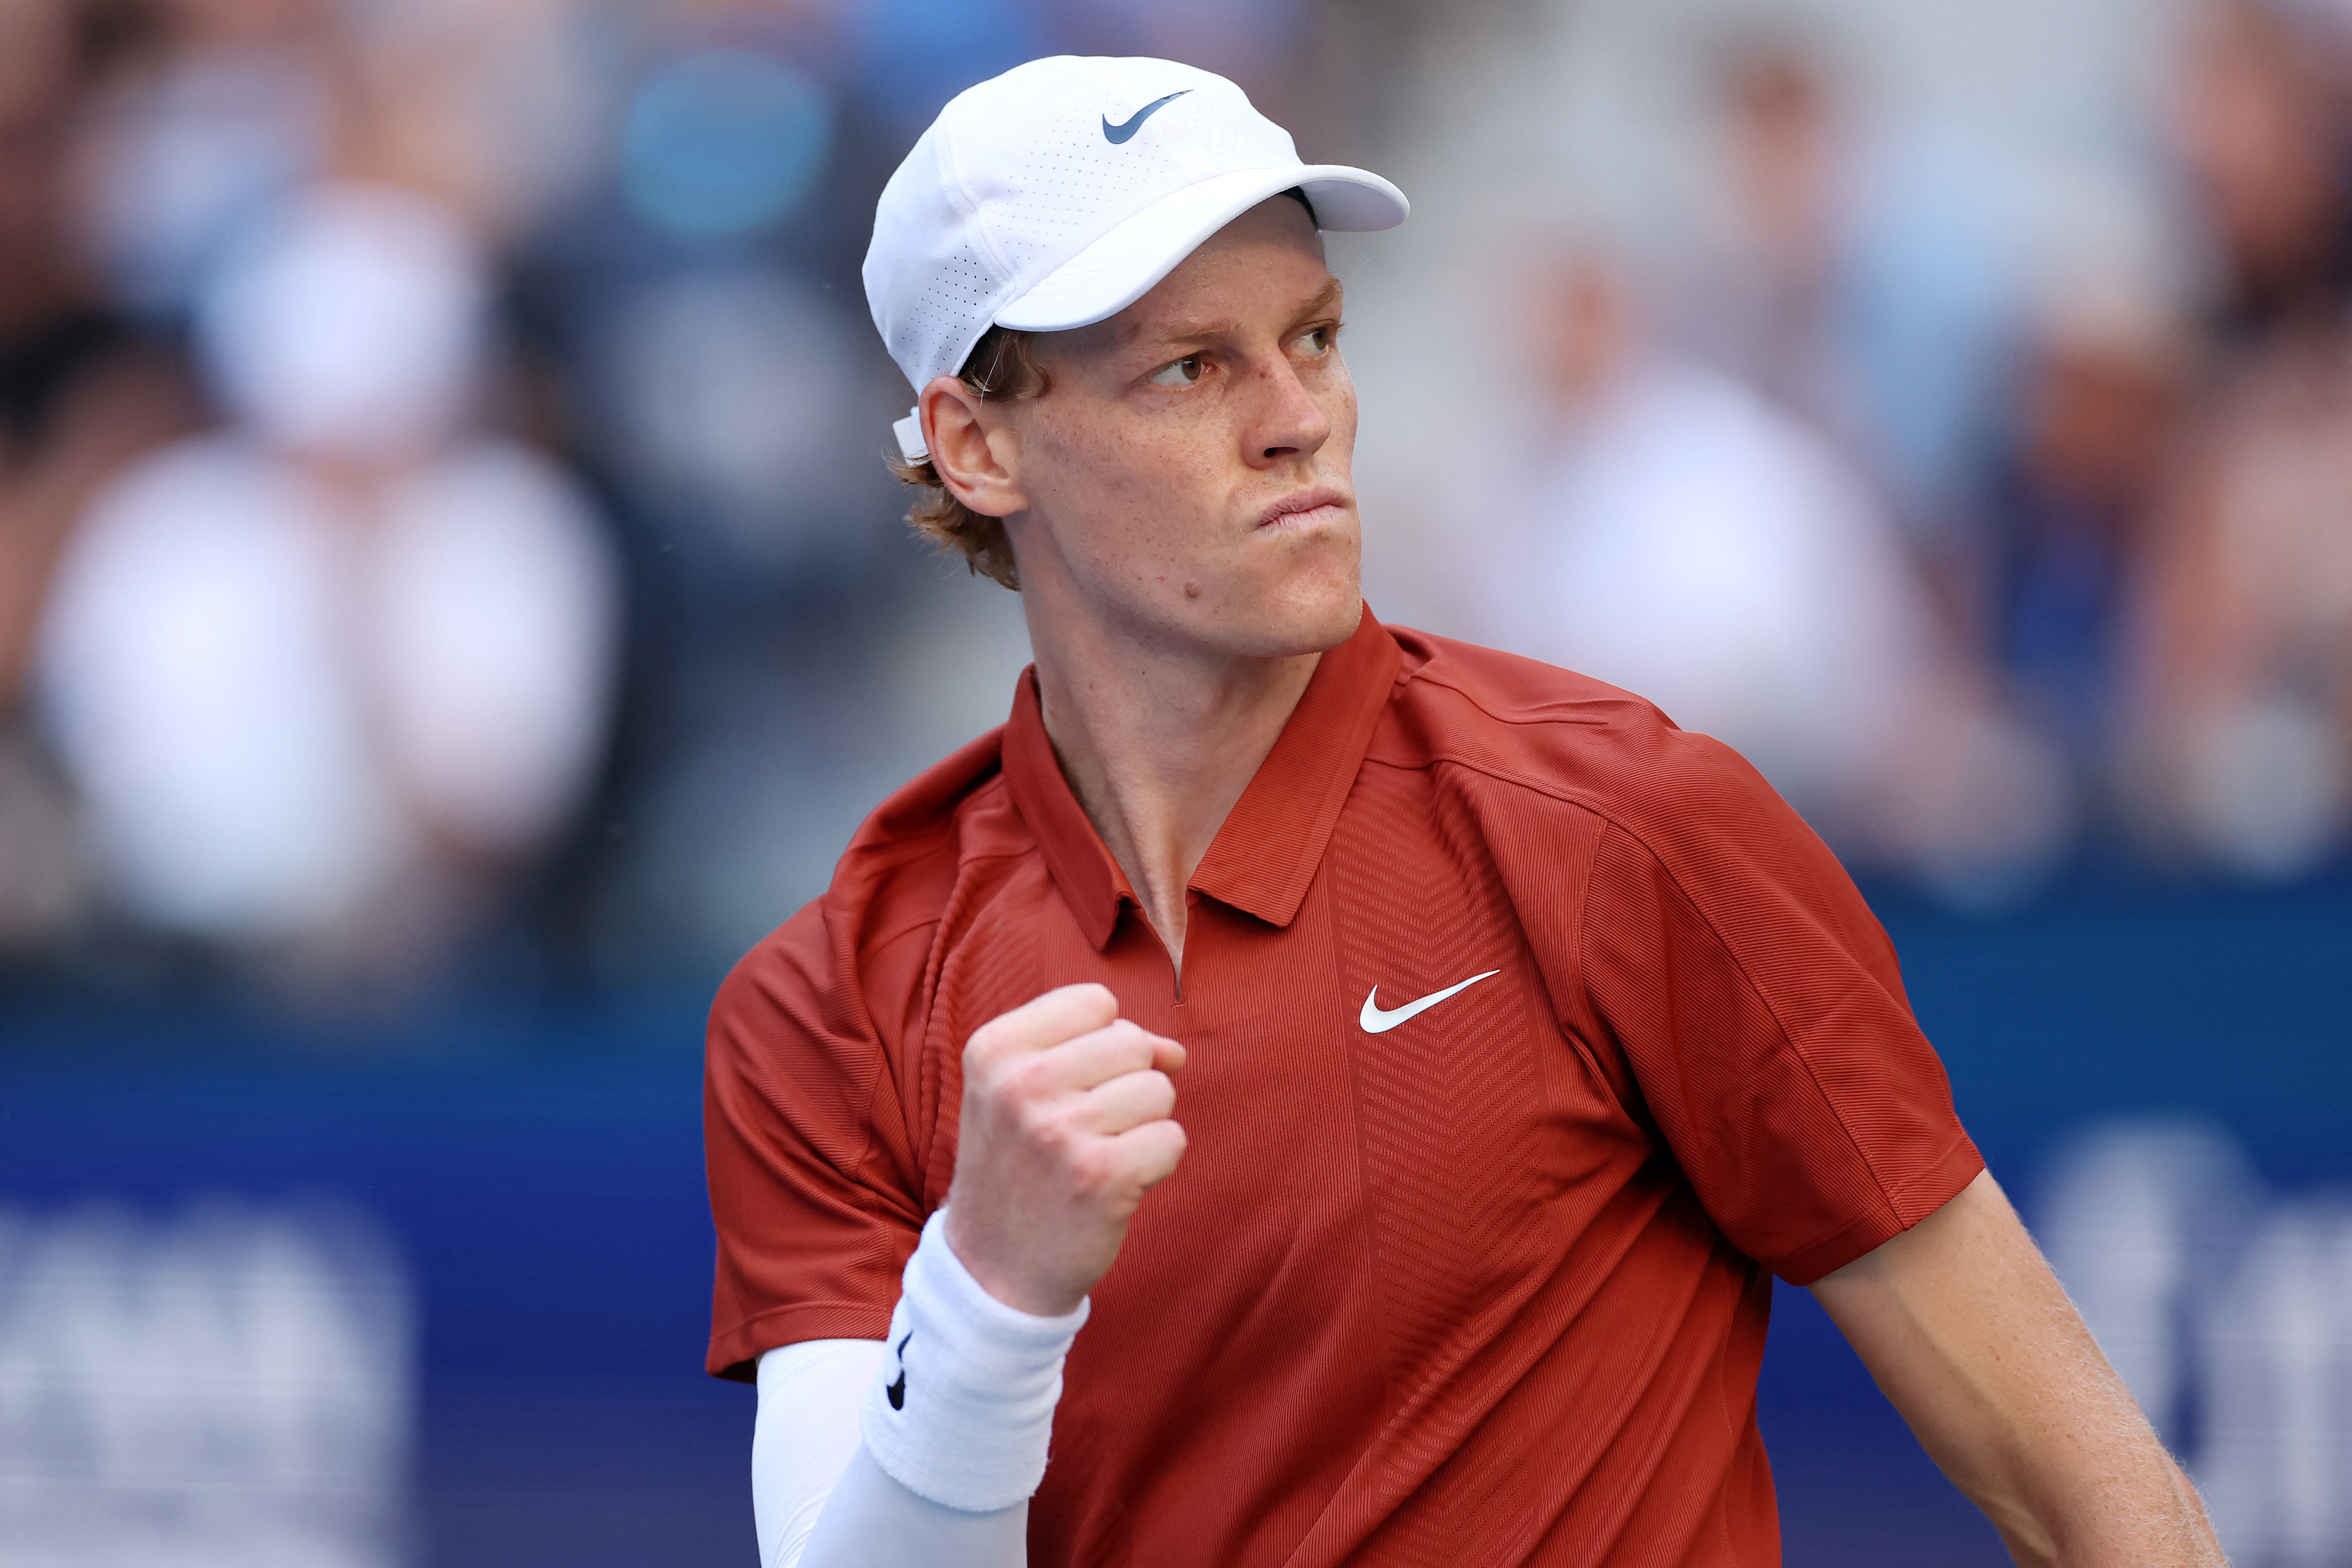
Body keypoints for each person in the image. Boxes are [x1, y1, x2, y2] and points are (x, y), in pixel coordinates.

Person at [703, 56, 2225, 1568]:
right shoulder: (827, 1005)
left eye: (1314, 335)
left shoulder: (1633, 828)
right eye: (1191, 368)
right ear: (977, 445)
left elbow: (2094, 1495)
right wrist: (986, 1303)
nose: (1298, 417)